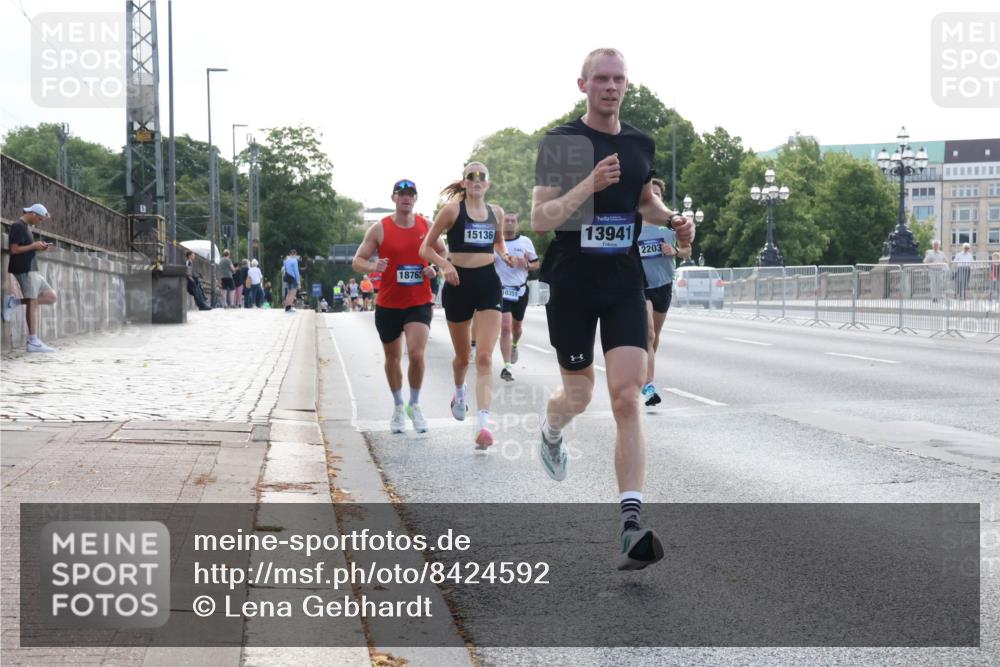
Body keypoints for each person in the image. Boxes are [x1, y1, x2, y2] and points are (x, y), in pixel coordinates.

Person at [530, 48, 694, 570]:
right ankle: (552, 431)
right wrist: (589, 183)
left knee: (627, 395)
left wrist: (672, 220)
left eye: (618, 78)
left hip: (624, 280)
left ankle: (630, 526)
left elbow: (645, 200)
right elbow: (540, 217)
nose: (610, 86)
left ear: (626, 85)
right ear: (582, 84)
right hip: (573, 281)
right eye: (601, 78)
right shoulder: (562, 143)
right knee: (579, 393)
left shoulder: (639, 142)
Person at [420, 163, 513, 449]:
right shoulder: (452, 211)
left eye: (481, 176)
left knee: (484, 356)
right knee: (463, 357)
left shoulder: (495, 213)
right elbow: (425, 248)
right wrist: (445, 264)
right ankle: (459, 392)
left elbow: (499, 243)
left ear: (488, 184)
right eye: (471, 176)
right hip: (458, 284)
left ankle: (482, 423)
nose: (476, 180)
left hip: (488, 284)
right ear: (463, 183)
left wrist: (506, 256)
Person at [353, 179, 441, 434]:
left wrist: (434, 268)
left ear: (416, 199)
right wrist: (373, 266)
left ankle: (415, 404)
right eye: (401, 194)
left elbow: (444, 253)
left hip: (419, 302)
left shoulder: (427, 226)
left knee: (416, 354)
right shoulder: (380, 229)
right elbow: (357, 260)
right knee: (392, 357)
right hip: (389, 304)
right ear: (393, 198)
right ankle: (399, 406)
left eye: (410, 194)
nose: (406, 198)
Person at [639, 178, 689, 406]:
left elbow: (688, 250)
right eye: (651, 194)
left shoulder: (670, 224)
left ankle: (647, 365)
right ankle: (649, 385)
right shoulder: (634, 222)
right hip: (640, 285)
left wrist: (675, 250)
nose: (654, 197)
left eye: (657, 194)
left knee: (654, 336)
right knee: (648, 333)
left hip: (663, 284)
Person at [3, 204, 59, 352]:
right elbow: (14, 250)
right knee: (32, 301)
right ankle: (33, 341)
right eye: (40, 218)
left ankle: (14, 302)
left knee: (51, 296)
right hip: (24, 269)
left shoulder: (27, 227)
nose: (40, 221)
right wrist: (34, 246)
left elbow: (27, 249)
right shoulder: (18, 226)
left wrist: (39, 248)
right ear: (33, 214)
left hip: (32, 268)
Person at [494, 212, 539, 381]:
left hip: (520, 290)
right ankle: (507, 367)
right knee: (505, 327)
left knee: (517, 328)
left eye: (513, 221)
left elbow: (536, 263)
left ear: (517, 224)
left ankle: (514, 345)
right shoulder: (496, 242)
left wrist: (527, 264)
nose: (510, 223)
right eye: (507, 221)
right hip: (501, 291)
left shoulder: (525, 242)